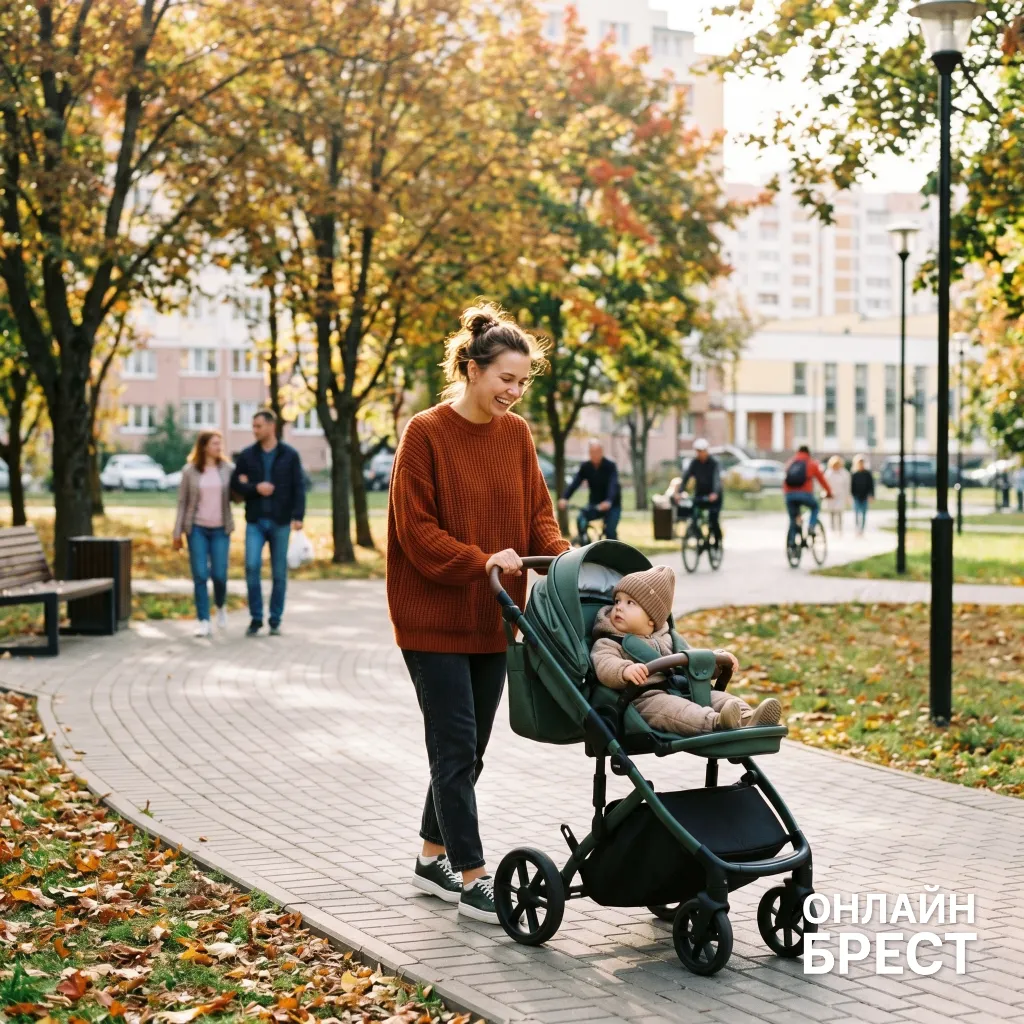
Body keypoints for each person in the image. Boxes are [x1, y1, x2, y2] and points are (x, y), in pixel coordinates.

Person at [387, 303, 568, 925]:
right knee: (456, 744)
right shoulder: (425, 432)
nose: (515, 394)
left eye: (523, 382)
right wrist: (481, 559)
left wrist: (567, 562)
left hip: (495, 617)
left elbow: (537, 514)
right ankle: (471, 877)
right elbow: (416, 532)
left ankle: (431, 854)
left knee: (470, 750)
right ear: (471, 368)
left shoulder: (516, 436)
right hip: (432, 618)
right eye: (506, 380)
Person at [590, 566, 781, 734]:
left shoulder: (670, 638)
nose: (618, 608)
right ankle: (718, 722)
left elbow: (694, 660)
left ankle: (750, 718)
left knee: (719, 697)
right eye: (617, 601)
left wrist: (716, 660)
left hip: (685, 689)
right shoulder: (610, 641)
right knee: (678, 710)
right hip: (647, 699)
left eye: (629, 603)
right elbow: (604, 663)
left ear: (651, 618)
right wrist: (624, 670)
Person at [230, 410, 306, 637]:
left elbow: (298, 487)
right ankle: (255, 618)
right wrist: (255, 488)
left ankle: (275, 619)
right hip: (255, 520)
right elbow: (235, 483)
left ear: (271, 426)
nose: (255, 430)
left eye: (258, 426)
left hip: (281, 521)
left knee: (279, 573)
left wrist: (298, 516)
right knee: (252, 567)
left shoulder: (289, 455)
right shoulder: (247, 455)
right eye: (253, 426)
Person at [172, 431, 234, 638]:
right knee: (199, 574)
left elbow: (238, 494)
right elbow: (182, 503)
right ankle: (203, 620)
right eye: (215, 443)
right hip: (196, 528)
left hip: (220, 529)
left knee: (219, 574)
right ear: (204, 446)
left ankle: (221, 605)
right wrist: (177, 532)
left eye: (220, 443)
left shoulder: (228, 469)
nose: (219, 447)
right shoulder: (190, 471)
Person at [558, 440, 621, 540]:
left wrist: (608, 501)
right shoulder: (586, 466)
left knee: (610, 531)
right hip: (594, 504)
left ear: (602, 452)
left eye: (597, 452)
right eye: (592, 452)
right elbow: (575, 482)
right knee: (580, 519)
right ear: (589, 453)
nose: (595, 455)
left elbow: (613, 485)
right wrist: (565, 498)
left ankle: (613, 551)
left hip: (612, 505)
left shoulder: (610, 466)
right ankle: (585, 543)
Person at [783, 445, 833, 548]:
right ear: (808, 453)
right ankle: (811, 526)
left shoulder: (790, 463)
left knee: (793, 519)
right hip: (805, 494)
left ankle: (792, 542)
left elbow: (785, 481)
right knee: (814, 507)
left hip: (789, 495)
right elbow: (822, 480)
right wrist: (829, 492)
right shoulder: (811, 463)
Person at [674, 439, 722, 546]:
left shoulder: (714, 463)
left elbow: (716, 479)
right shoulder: (694, 463)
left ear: (706, 450)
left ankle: (717, 542)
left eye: (702, 451)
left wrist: (714, 493)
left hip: (714, 496)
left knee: (713, 519)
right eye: (698, 451)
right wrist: (680, 492)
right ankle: (701, 541)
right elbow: (686, 477)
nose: (700, 453)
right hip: (700, 494)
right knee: (694, 518)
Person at [823, 455, 851, 534]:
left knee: (839, 512)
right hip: (831, 495)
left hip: (841, 495)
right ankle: (832, 528)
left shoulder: (844, 473)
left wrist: (847, 496)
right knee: (831, 512)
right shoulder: (828, 472)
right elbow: (825, 484)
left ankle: (840, 528)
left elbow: (847, 486)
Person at [850, 454, 875, 535]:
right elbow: (851, 486)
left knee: (864, 514)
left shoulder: (867, 474)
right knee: (856, 513)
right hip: (856, 497)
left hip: (865, 496)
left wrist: (871, 495)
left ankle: (862, 529)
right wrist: (852, 495)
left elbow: (871, 485)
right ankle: (857, 529)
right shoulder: (854, 474)